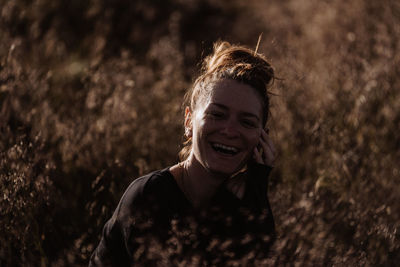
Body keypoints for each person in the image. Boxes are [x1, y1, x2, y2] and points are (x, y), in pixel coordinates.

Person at [89, 41, 277, 266]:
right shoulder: (149, 195)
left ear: (261, 138)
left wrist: (256, 191)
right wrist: (226, 206)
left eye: (247, 122)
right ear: (189, 121)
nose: (229, 131)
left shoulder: (249, 198)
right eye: (217, 115)